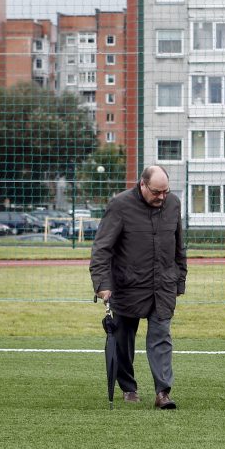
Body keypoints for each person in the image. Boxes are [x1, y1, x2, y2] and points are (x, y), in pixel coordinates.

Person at [90, 165, 187, 409]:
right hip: (127, 286)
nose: (162, 197)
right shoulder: (120, 205)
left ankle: (163, 392)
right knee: (123, 339)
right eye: (157, 192)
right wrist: (102, 284)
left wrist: (179, 279)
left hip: (162, 286)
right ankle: (128, 387)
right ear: (142, 185)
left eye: (166, 191)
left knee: (161, 337)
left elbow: (179, 246)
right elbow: (102, 248)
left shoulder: (174, 204)